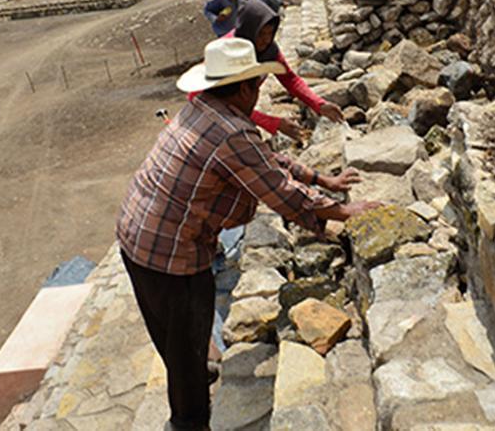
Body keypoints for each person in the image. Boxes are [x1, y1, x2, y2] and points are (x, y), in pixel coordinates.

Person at [117, 38, 379, 431]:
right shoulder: (231, 132)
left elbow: (266, 160)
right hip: (173, 255)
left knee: (171, 335)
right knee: (186, 347)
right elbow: (279, 190)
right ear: (242, 87)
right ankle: (190, 421)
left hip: (134, 235)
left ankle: (192, 370)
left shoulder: (204, 108)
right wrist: (342, 211)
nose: (257, 94)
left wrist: (322, 178)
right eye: (255, 86)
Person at [191, 0, 345, 140]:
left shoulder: (268, 50)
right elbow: (223, 103)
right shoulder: (227, 53)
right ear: (249, 31)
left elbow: (289, 78)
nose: (266, 39)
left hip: (236, 112)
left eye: (270, 33)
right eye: (261, 34)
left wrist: (319, 104)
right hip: (209, 116)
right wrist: (272, 123)